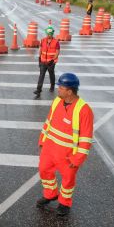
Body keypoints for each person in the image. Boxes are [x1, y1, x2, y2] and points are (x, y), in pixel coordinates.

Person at [36, 73, 94, 217]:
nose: (58, 90)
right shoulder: (57, 101)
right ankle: (50, 194)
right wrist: (42, 140)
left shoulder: (84, 110)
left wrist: (78, 159)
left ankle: (64, 203)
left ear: (70, 91)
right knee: (44, 171)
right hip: (50, 148)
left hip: (68, 154)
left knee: (68, 180)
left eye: (61, 88)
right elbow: (48, 122)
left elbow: (86, 138)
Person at [33, 26, 60, 99]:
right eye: (48, 34)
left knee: (51, 74)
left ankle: (52, 85)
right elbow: (40, 49)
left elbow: (57, 52)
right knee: (41, 75)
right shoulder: (43, 40)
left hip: (51, 62)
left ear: (52, 34)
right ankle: (38, 90)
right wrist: (39, 59)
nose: (49, 35)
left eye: (50, 34)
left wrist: (52, 60)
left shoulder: (56, 42)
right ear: (46, 33)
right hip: (43, 61)